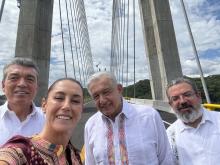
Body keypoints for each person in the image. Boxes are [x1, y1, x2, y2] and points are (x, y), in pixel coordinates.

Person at [84, 71, 173, 165]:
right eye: (96, 96)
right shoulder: (91, 125)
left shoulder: (149, 116)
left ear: (119, 89)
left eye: (106, 92)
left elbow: (166, 159)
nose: (102, 100)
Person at [0, 77, 84, 164]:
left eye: (75, 101)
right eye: (59, 98)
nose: (67, 106)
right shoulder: (21, 151)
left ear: (81, 110)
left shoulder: (74, 156)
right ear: (44, 105)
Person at [166, 77, 220, 165]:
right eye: (175, 99)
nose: (182, 101)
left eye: (187, 95)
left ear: (199, 96)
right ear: (171, 104)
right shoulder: (169, 135)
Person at [0, 57, 45, 145]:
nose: (22, 84)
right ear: (3, 85)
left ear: (36, 87)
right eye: (14, 78)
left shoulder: (48, 121)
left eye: (30, 79)